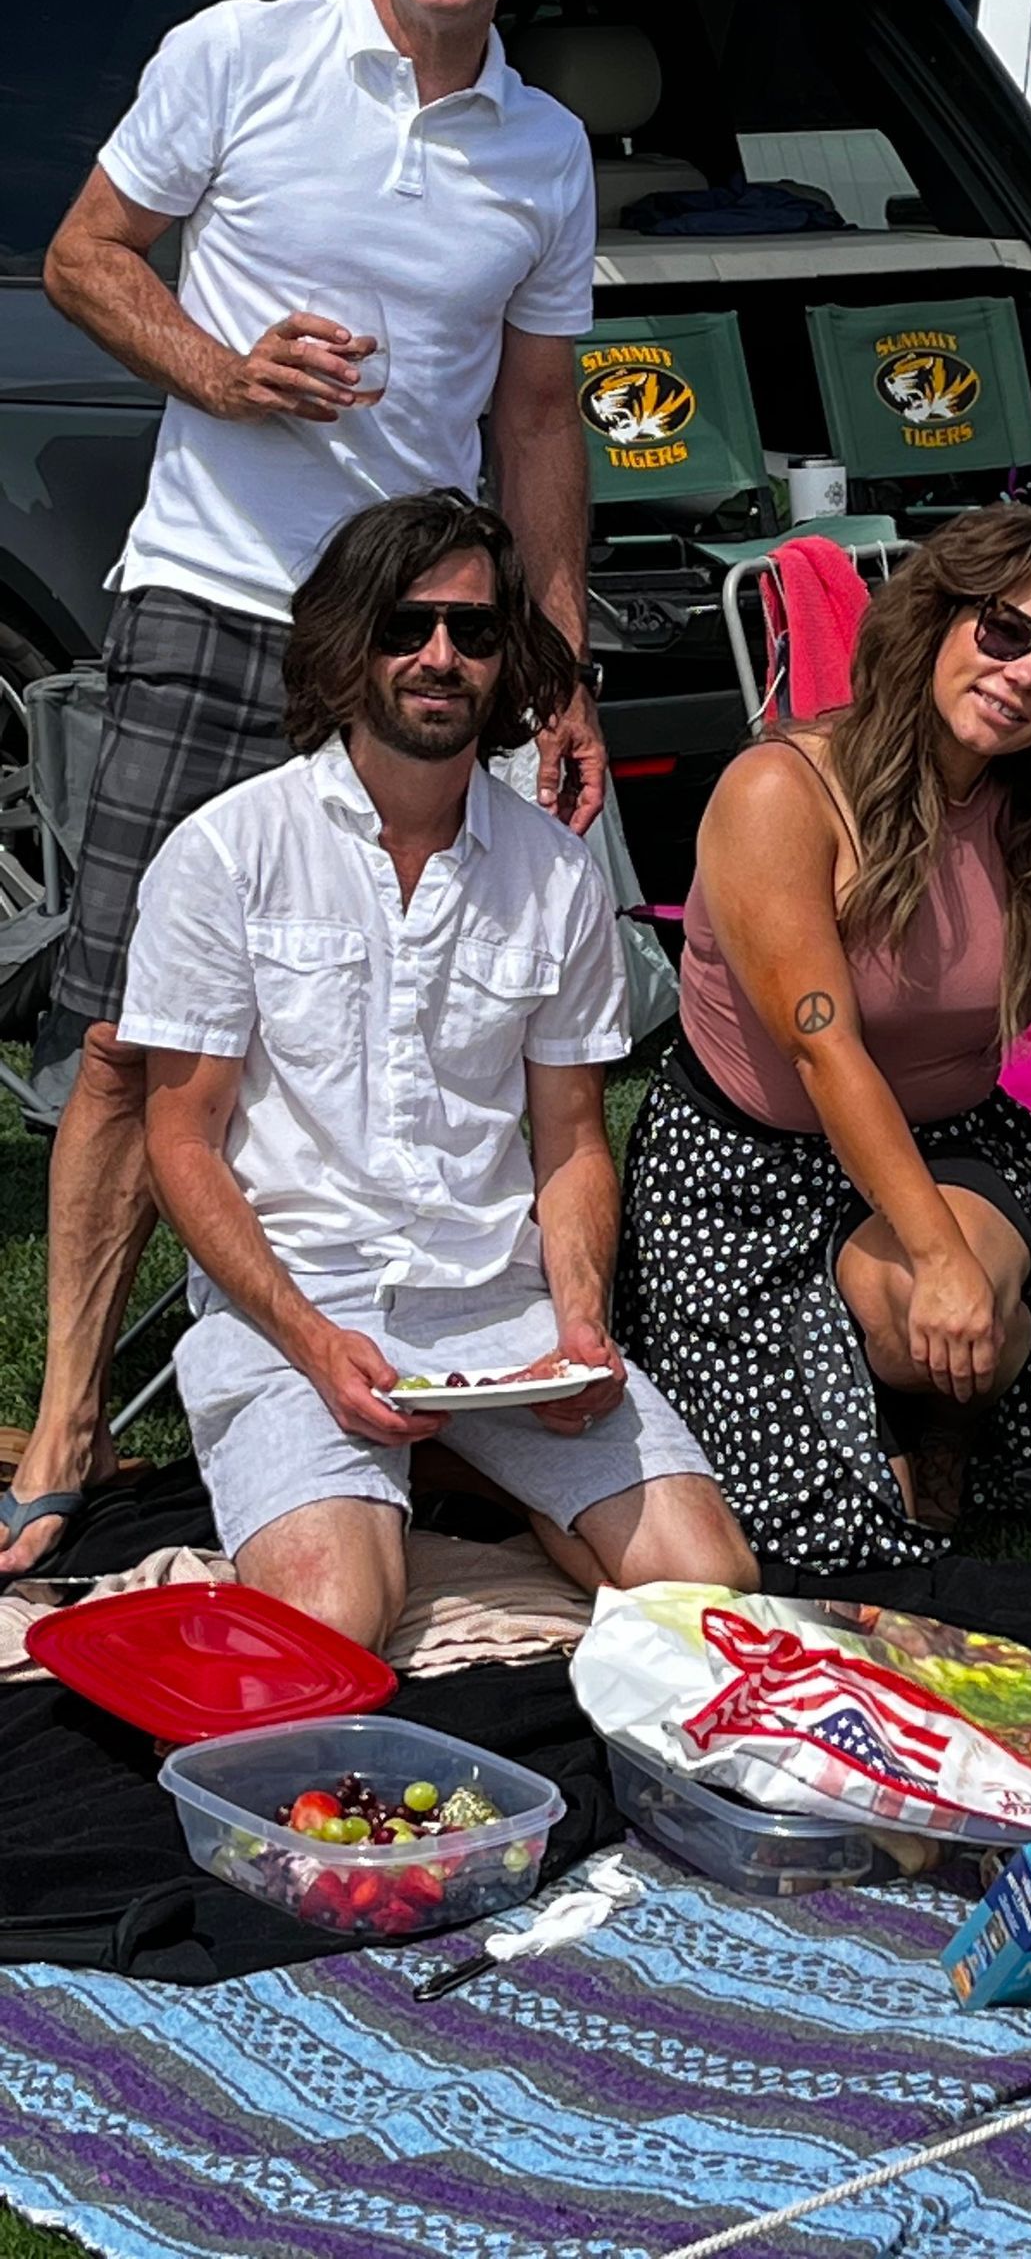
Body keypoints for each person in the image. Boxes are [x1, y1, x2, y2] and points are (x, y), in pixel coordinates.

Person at [1, 0, 608, 1573]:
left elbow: (539, 417)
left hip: (421, 633)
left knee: (449, 1012)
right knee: (133, 1038)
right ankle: (63, 1421)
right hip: (214, 595)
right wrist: (221, 370)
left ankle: (437, 1373)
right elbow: (85, 257)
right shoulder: (240, 56)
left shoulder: (546, 150)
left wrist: (559, 661)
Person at [114, 490, 753, 1652]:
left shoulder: (557, 874)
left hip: (498, 1316)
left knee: (708, 1587)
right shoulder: (228, 852)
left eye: (475, 629)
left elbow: (572, 1141)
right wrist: (312, 1340)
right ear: (345, 642)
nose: (441, 656)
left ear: (509, 661)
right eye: (405, 626)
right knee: (335, 1622)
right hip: (295, 1306)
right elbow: (180, 1140)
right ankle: (424, 1491)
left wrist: (580, 1324)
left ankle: (464, 1468)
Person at [614, 509, 1031, 1574]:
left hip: (947, 1140)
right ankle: (885, 1430)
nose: (1024, 674)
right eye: (1006, 631)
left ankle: (928, 1420)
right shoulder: (784, 791)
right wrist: (933, 1256)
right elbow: (824, 1051)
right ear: (939, 618)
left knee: (975, 1306)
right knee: (807, 1540)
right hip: (742, 1174)